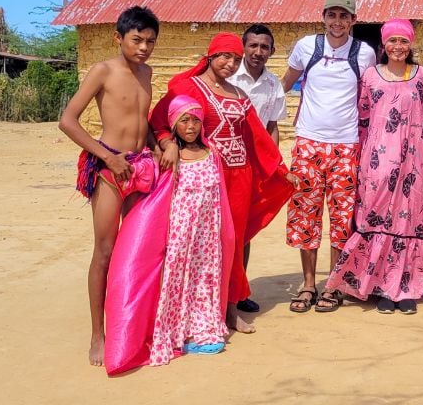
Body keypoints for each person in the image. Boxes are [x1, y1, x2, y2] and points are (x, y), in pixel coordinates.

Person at [151, 33, 293, 335]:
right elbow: (159, 120)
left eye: (235, 59)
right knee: (196, 240)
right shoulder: (187, 87)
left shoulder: (239, 94)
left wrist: (280, 170)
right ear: (210, 56)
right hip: (203, 176)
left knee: (233, 241)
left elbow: (257, 137)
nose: (230, 64)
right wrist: (167, 143)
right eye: (224, 57)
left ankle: (230, 308)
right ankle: (190, 308)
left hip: (239, 176)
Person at [101, 94, 239, 374]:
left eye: (196, 121)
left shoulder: (211, 152)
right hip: (179, 234)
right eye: (183, 121)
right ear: (173, 125)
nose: (191, 127)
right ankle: (175, 331)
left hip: (207, 235)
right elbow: (142, 175)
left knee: (204, 276)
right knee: (177, 278)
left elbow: (219, 193)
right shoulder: (167, 157)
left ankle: (200, 327)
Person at [59, 5, 160, 367]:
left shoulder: (147, 73)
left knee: (136, 252)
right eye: (137, 40)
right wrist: (108, 157)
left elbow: (142, 121)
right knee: (105, 250)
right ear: (118, 38)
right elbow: (67, 121)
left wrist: (159, 145)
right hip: (109, 169)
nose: (144, 48)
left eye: (150, 41)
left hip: (140, 169)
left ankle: (129, 325)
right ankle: (97, 334)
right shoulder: (103, 71)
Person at [325, 19, 423, 314]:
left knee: (409, 221)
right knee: (375, 218)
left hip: (414, 163)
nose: (398, 47)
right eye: (393, 41)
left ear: (411, 44)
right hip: (376, 162)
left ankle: (405, 288)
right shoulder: (370, 77)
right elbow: (360, 119)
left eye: (404, 41)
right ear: (384, 45)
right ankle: (380, 287)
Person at [281, 0, 376, 313]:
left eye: (344, 16)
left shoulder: (364, 54)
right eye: (332, 15)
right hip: (308, 141)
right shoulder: (306, 47)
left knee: (341, 217)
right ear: (322, 17)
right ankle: (309, 284)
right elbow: (284, 85)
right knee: (305, 214)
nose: (337, 22)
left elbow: (369, 97)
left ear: (353, 20)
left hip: (347, 145)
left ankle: (333, 284)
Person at [228, 23, 288, 314]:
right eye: (253, 45)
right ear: (243, 47)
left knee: (245, 229)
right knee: (221, 230)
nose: (258, 52)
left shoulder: (274, 85)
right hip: (223, 163)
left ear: (272, 51)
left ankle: (238, 291)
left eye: (264, 47)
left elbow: (272, 127)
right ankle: (214, 292)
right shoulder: (228, 77)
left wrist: (271, 164)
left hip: (252, 167)